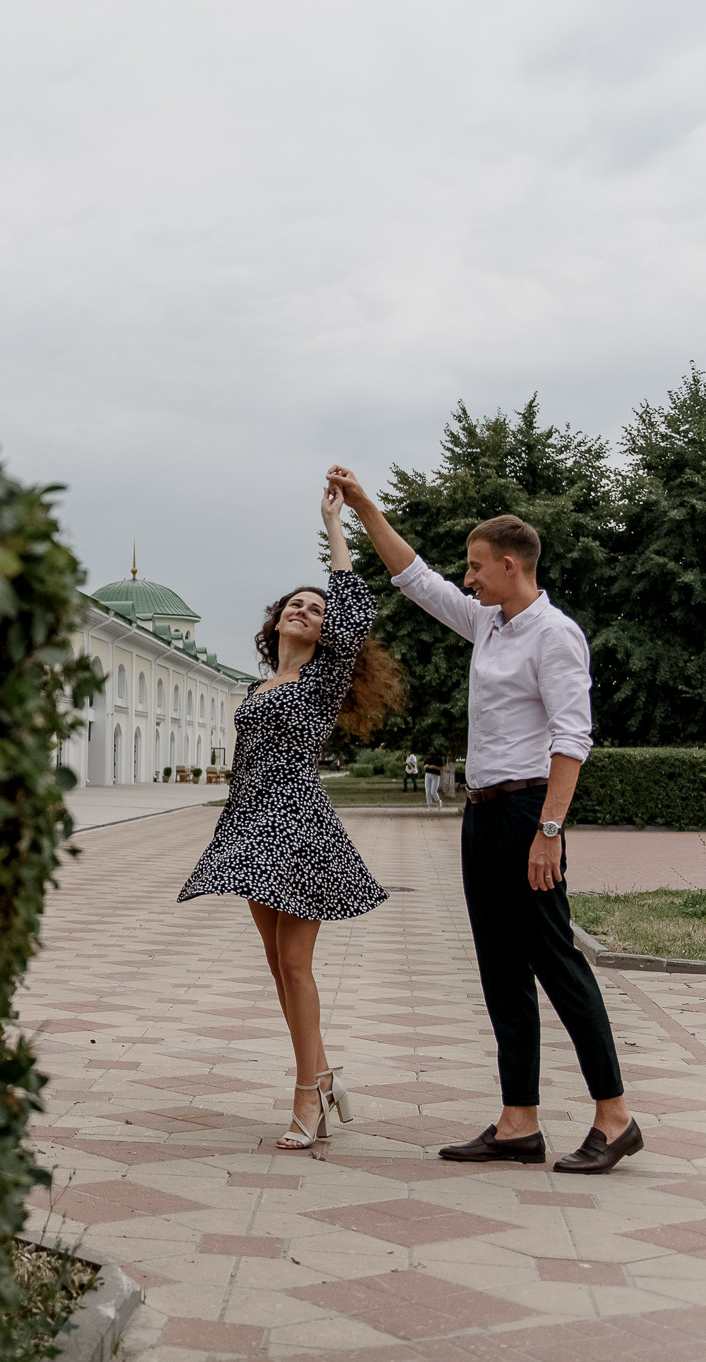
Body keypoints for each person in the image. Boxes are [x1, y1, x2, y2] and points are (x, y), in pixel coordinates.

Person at [327, 467, 641, 1175]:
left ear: (509, 565)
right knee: (501, 968)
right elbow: (415, 578)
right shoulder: (489, 626)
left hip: (529, 812)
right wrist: (364, 507)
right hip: (483, 813)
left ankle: (615, 1118)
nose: (466, 579)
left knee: (556, 961)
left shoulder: (554, 636)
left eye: (474, 567)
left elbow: (573, 738)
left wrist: (549, 832)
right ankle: (517, 1122)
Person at [178, 482, 402, 1150]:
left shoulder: (320, 682)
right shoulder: (258, 687)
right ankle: (321, 1076)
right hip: (251, 826)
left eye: (316, 607)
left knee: (297, 967)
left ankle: (309, 1094)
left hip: (297, 826)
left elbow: (355, 604)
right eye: (295, 605)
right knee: (279, 968)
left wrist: (335, 522)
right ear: (277, 621)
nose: (307, 610)